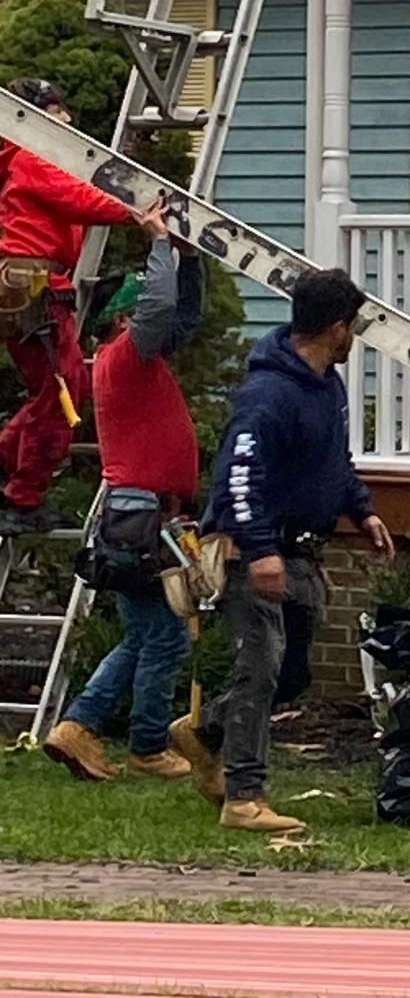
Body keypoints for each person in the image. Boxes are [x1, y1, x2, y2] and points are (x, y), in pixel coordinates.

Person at [172, 268, 394, 833]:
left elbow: (332, 464)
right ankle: (243, 798)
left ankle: (203, 734)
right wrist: (261, 551)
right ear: (337, 328)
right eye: (355, 325)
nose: (357, 336)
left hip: (303, 553)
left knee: (291, 675)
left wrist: (362, 510)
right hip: (256, 556)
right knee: (259, 670)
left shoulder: (327, 387)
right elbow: (239, 478)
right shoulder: (267, 395)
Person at [42, 205, 204, 783]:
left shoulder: (131, 358)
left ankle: (78, 727)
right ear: (125, 319)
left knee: (147, 634)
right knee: (162, 637)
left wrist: (188, 260)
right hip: (139, 514)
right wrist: (160, 244)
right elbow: (161, 310)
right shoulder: (128, 358)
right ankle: (145, 745)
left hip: (135, 513)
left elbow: (179, 315)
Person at [0, 79, 148, 536]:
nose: (66, 119)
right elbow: (84, 199)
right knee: (63, 395)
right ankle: (21, 500)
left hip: (34, 283)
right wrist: (139, 205)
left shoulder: (26, 161)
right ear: (34, 118)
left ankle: (8, 469)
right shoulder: (32, 158)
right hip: (33, 284)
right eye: (54, 110)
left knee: (53, 391)